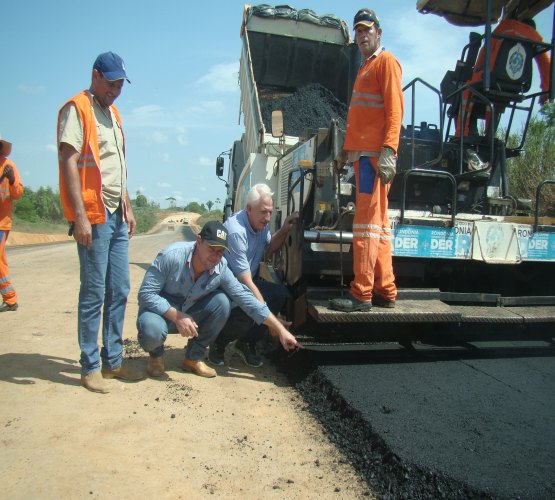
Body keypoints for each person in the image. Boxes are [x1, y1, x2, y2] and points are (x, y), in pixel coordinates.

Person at [57, 52, 142, 393]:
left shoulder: (114, 113)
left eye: (120, 84)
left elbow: (117, 167)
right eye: (111, 83)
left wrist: (129, 206)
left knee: (119, 288)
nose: (116, 90)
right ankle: (90, 366)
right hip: (93, 215)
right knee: (94, 291)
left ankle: (113, 362)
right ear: (95, 76)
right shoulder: (77, 109)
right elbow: (69, 161)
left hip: (117, 212)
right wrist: (79, 217)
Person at [136, 220, 300, 379]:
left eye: (220, 252)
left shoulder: (221, 268)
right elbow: (146, 294)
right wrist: (177, 316)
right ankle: (156, 356)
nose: (215, 256)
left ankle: (192, 359)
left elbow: (247, 300)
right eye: (212, 249)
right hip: (162, 314)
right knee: (152, 332)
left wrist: (280, 330)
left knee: (222, 302)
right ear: (199, 241)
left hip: (190, 313)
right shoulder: (171, 256)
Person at [329, 8, 403, 313]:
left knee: (366, 226)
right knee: (381, 227)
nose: (362, 36)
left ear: (378, 33)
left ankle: (361, 293)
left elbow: (395, 111)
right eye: (358, 31)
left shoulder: (386, 62)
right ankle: (385, 289)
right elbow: (361, 118)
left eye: (367, 30)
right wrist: (346, 151)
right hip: (363, 156)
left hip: (374, 159)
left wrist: (389, 150)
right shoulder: (364, 68)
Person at [208, 183, 298, 368]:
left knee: (278, 294)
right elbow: (245, 280)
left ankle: (246, 342)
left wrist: (284, 230)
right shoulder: (235, 231)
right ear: (249, 208)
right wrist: (273, 322)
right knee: (250, 309)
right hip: (226, 290)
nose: (268, 217)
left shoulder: (260, 225)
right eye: (264, 212)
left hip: (246, 283)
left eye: (270, 212)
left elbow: (269, 249)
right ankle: (218, 343)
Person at [456, 14, 551, 137]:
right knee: (495, 98)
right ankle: (489, 135)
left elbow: (484, 52)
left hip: (493, 79)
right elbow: (546, 64)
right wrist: (546, 91)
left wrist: (475, 75)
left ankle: (461, 134)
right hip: (519, 86)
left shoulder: (505, 27)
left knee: (467, 89)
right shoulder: (536, 38)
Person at [0, 138, 24, 313]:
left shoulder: (9, 166)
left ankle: (10, 299)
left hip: (1, 223)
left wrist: (12, 178)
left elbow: (17, 194)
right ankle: (10, 301)